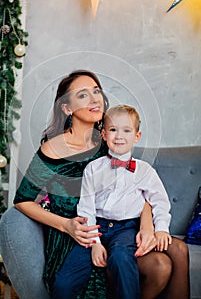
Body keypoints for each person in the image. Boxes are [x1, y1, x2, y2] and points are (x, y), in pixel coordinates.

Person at [0, 70, 190, 299]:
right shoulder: (52, 149)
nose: (94, 98)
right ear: (66, 108)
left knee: (178, 249)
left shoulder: (110, 138)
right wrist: (66, 225)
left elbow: (139, 184)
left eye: (96, 91)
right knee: (159, 265)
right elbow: (23, 200)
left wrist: (147, 225)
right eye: (82, 95)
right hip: (79, 233)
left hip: (120, 228)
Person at [52, 105, 172, 299]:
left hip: (125, 229)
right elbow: (86, 208)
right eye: (113, 130)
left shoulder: (145, 171)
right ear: (104, 134)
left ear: (137, 136)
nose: (119, 136)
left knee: (122, 259)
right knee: (64, 283)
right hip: (95, 226)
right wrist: (95, 244)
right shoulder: (93, 168)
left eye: (126, 130)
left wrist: (161, 229)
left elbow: (160, 201)